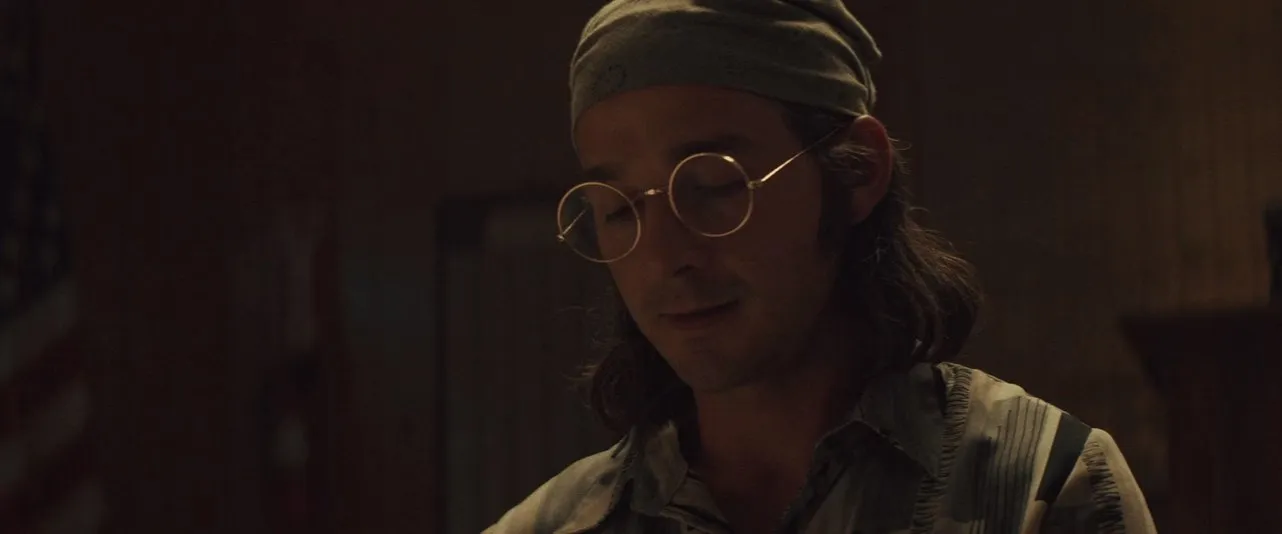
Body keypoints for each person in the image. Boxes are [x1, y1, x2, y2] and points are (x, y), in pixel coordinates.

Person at [488, 1, 1157, 532]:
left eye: (714, 186)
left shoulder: (1039, 486)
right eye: (619, 210)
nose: (663, 257)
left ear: (858, 172)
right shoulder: (558, 523)